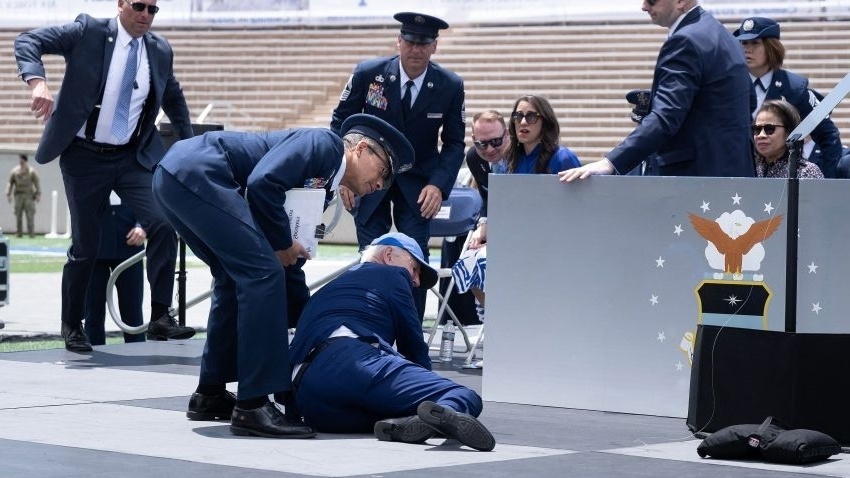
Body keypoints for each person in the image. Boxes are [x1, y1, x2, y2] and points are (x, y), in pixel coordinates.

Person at [152, 113, 414, 439]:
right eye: (384, 173)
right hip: (198, 172)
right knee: (262, 274)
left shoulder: (324, 184)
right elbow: (264, 185)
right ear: (361, 149)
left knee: (235, 278)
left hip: (178, 176)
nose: (380, 185)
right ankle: (253, 406)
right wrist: (282, 245)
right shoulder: (325, 146)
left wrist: (310, 317)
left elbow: (288, 254)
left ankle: (210, 393)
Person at [14, 0, 195, 352]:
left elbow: (172, 94)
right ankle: (72, 323)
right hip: (84, 157)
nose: (145, 15)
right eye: (139, 6)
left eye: (152, 10)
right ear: (121, 4)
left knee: (161, 223)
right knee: (87, 245)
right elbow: (27, 41)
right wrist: (37, 83)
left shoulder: (158, 49)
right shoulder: (88, 31)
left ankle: (160, 316)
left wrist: (190, 146)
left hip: (131, 157)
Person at [289, 232, 496, 452]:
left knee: (388, 411)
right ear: (389, 254)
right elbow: (413, 345)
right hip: (352, 360)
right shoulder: (393, 275)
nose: (415, 281)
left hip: (307, 394)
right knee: (464, 396)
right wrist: (426, 383)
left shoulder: (326, 290)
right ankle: (437, 415)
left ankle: (409, 424)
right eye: (414, 269)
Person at [330, 11, 466, 320]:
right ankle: (367, 325)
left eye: (424, 43)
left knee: (413, 260)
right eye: (410, 41)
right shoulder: (369, 74)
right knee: (371, 257)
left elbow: (455, 143)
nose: (416, 49)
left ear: (435, 47)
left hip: (419, 185)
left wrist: (438, 184)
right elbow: (340, 123)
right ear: (399, 41)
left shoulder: (450, 85)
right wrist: (344, 175)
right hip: (366, 180)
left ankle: (410, 335)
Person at [559, 0, 755, 181]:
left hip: (695, 181)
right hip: (735, 173)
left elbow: (666, 116)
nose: (644, 6)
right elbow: (750, 101)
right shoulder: (725, 36)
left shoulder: (686, 41)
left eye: (652, 0)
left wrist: (610, 162)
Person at [452, 97, 581, 312]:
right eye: (518, 116)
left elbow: (577, 210)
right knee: (469, 261)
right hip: (518, 242)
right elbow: (507, 211)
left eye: (531, 116)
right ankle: (499, 319)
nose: (523, 122)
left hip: (554, 244)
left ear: (545, 122)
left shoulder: (562, 158)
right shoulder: (510, 162)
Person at [733, 16, 843, 179]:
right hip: (738, 179)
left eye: (755, 43)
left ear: (772, 48)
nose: (747, 50)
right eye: (744, 43)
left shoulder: (794, 88)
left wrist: (827, 183)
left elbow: (828, 136)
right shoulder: (730, 85)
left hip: (783, 182)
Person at [439, 110, 508, 326]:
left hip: (524, 233)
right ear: (473, 140)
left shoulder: (521, 156)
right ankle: (498, 321)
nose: (489, 149)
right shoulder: (474, 158)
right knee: (467, 262)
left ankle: (507, 321)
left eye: (496, 142)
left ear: (508, 135)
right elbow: (488, 197)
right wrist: (484, 226)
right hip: (499, 229)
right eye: (482, 144)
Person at [83, 192, 146, 346]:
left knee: (133, 312)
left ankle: (138, 354)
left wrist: (143, 225)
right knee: (92, 312)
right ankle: (94, 355)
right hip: (95, 246)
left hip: (130, 246)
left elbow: (145, 197)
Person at [753, 99, 824, 179]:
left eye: (769, 129)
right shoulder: (751, 170)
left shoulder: (805, 172)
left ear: (789, 132)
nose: (761, 135)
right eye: (757, 129)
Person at [5, 154, 41, 237]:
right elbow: (10, 183)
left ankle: (31, 233)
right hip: (18, 196)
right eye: (20, 160)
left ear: (26, 161)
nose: (21, 162)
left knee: (30, 215)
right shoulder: (15, 171)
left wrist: (38, 194)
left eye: (23, 160)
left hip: (29, 196)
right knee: (18, 215)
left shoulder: (31, 171)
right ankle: (19, 232)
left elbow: (37, 183)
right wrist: (8, 194)